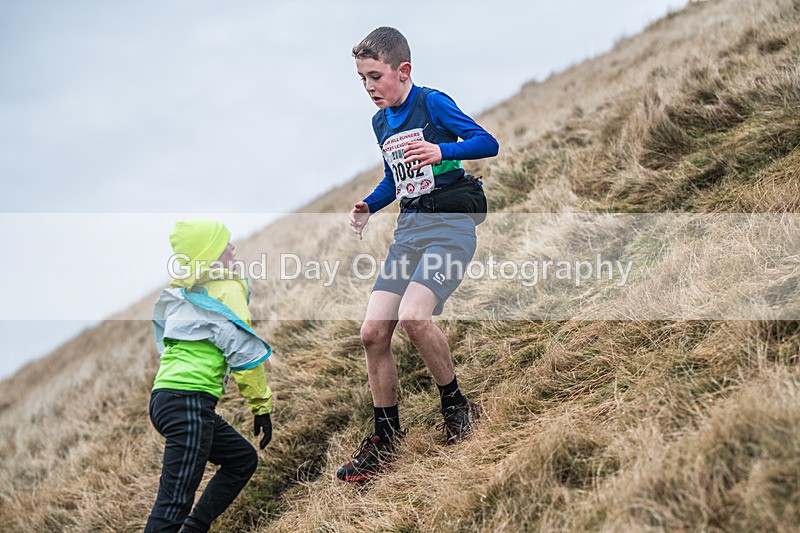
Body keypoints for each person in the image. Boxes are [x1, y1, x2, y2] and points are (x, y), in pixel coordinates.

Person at [338, 27, 499, 483]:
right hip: (409, 231)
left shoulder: (433, 103)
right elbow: (395, 178)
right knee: (372, 333)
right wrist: (370, 203)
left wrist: (440, 149)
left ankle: (458, 409)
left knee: (414, 317)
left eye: (375, 76)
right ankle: (386, 439)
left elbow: (487, 142)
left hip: (450, 227)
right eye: (362, 80)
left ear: (402, 70)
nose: (369, 87)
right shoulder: (380, 121)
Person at [145, 219, 274, 532]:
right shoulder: (227, 290)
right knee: (172, 506)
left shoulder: (185, 292)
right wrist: (261, 406)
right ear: (211, 254)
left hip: (166, 399)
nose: (232, 247)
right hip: (188, 402)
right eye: (224, 244)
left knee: (241, 459)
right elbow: (244, 354)